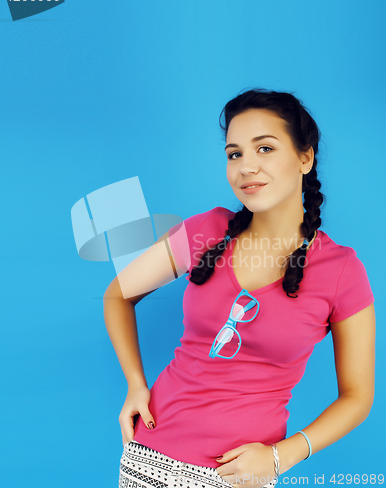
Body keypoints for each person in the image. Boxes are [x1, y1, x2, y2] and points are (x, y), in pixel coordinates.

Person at [103, 88, 376, 488]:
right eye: (235, 154)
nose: (247, 166)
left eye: (264, 149)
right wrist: (135, 384)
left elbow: (357, 397)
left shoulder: (341, 271)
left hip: (242, 475)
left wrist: (281, 456)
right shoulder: (204, 232)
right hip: (150, 457)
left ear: (305, 157)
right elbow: (117, 294)